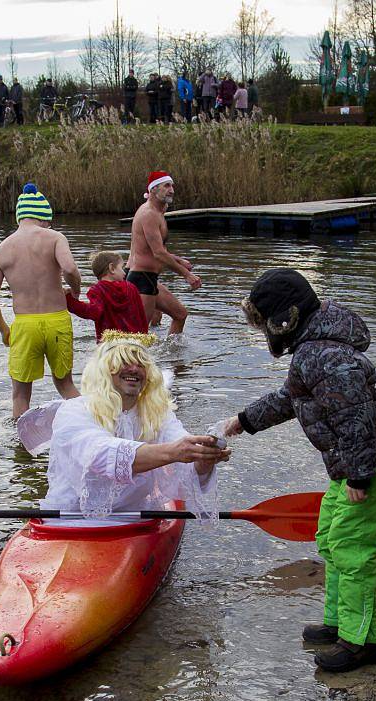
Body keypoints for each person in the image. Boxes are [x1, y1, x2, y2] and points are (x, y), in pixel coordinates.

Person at [221, 269, 376, 673]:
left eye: (264, 325)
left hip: (370, 463)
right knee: (329, 535)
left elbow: (355, 416)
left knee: (353, 548)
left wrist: (361, 476)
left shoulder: (326, 356)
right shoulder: (312, 351)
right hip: (352, 463)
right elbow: (290, 398)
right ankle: (340, 622)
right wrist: (245, 419)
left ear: (284, 320)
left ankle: (364, 641)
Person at [35, 333, 230, 520]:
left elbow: (183, 453)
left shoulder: (157, 414)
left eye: (141, 365)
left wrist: (203, 459)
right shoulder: (73, 410)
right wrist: (173, 452)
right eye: (124, 362)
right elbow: (98, 455)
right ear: (104, 370)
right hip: (68, 518)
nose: (134, 369)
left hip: (133, 519)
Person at [0, 183, 82, 418]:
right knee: (65, 384)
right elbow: (69, 268)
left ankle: (21, 450)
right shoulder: (55, 238)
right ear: (43, 217)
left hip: (25, 325)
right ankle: (91, 428)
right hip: (56, 320)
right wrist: (76, 291)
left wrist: (4, 330)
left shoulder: (3, 248)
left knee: (20, 395)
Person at [126, 171, 201, 335]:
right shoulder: (149, 214)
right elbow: (158, 253)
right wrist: (186, 275)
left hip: (147, 277)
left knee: (180, 314)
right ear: (153, 189)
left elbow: (152, 248)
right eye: (166, 186)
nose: (172, 190)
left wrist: (178, 260)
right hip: (140, 278)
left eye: (172, 185)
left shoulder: (159, 211)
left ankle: (173, 358)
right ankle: (131, 359)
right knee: (138, 335)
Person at [66, 251, 148, 341]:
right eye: (121, 268)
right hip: (134, 342)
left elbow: (93, 312)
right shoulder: (131, 288)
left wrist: (69, 300)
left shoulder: (97, 290)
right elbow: (141, 315)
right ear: (111, 268)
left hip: (110, 344)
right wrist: (144, 338)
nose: (124, 273)